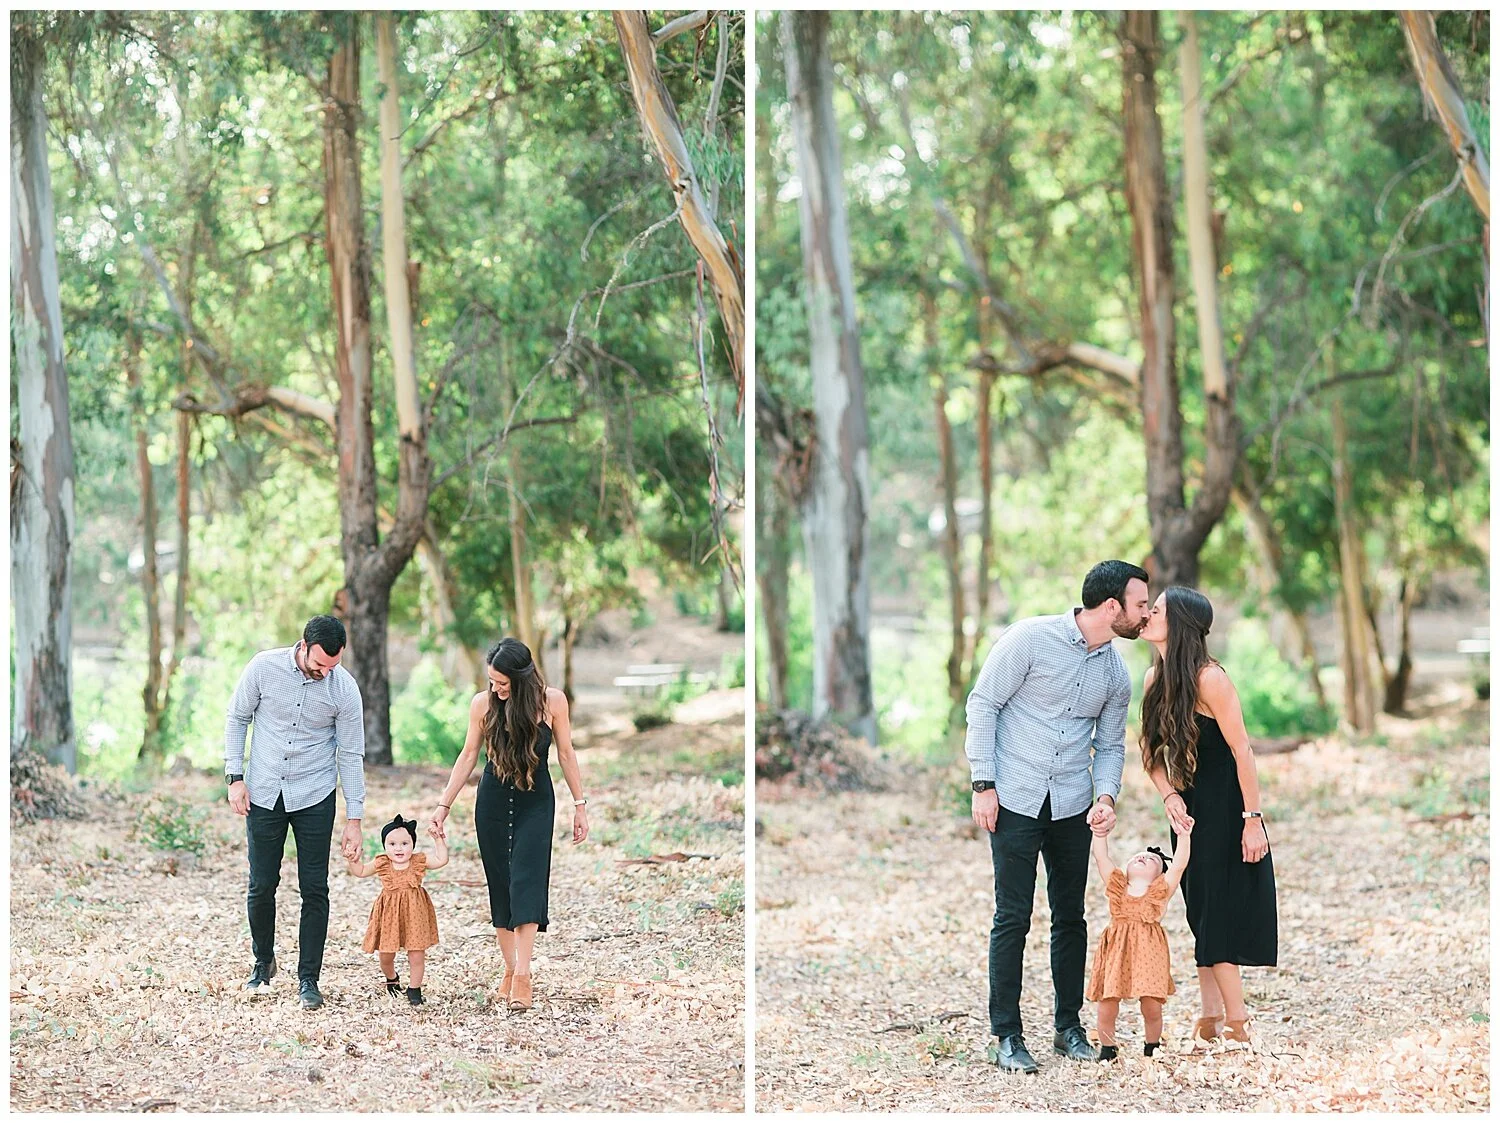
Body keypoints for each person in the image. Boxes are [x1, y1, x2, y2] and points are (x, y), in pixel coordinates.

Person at [965, 559, 1151, 1073]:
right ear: (1111, 606)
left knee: (1071, 917)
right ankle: (1007, 1035)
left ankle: (1068, 1028)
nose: (1146, 615)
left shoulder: (1116, 671)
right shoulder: (1029, 639)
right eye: (1139, 606)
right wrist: (984, 783)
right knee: (1013, 917)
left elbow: (1111, 744)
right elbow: (983, 704)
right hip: (1015, 797)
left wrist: (1106, 797)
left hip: (1071, 805)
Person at [1139, 586, 1277, 1047]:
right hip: (1189, 810)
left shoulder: (1210, 678)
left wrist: (1252, 818)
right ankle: (1210, 1017)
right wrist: (1168, 797)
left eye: (1155, 610)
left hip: (1226, 806)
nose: (1147, 614)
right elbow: (1150, 753)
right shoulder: (1153, 680)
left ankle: (1237, 1022)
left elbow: (1243, 751)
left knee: (1216, 909)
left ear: (1177, 623)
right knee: (1198, 908)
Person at [430, 638, 589, 1013]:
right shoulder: (483, 705)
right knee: (501, 883)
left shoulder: (553, 702)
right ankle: (508, 968)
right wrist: (443, 805)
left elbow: (565, 753)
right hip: (493, 803)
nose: (497, 690)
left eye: (503, 683)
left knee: (527, 882)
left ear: (522, 677)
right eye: (493, 682)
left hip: (537, 802)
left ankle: (523, 975)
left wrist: (580, 805)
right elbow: (469, 754)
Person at [225, 614, 366, 1011]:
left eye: (333, 666)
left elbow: (352, 754)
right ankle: (262, 961)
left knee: (315, 889)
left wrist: (354, 820)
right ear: (303, 646)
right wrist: (234, 777)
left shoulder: (344, 689)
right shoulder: (263, 668)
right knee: (262, 883)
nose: (325, 673)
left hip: (315, 794)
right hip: (265, 791)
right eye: (320, 664)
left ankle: (309, 978)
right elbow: (237, 718)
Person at [1084, 824, 1192, 1060]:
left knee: (1152, 1005)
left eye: (1151, 859)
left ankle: (1152, 1046)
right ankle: (1108, 1048)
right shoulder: (1117, 886)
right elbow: (1101, 856)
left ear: (1160, 874)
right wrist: (1099, 834)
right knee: (1107, 1003)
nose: (1142, 857)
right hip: (1116, 951)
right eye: (1138, 857)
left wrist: (1183, 834)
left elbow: (1180, 864)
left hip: (1149, 953)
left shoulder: (1160, 891)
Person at [347, 814, 446, 1006]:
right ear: (384, 845)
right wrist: (352, 858)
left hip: (415, 913)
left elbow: (441, 860)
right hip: (389, 915)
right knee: (386, 955)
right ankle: (392, 977)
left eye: (404, 843)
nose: (398, 848)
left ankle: (414, 988)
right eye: (392, 844)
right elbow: (360, 871)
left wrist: (438, 839)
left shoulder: (418, 861)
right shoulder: (382, 863)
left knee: (416, 954)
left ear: (413, 844)